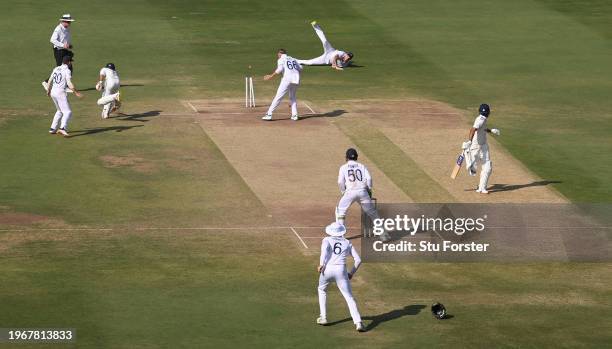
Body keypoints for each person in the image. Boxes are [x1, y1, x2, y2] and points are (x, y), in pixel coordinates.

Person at [317, 222, 366, 332]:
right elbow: (358, 260)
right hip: (341, 271)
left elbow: (324, 252)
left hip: (327, 269)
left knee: (322, 289)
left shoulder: (326, 240)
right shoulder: (347, 242)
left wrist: (321, 264)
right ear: (341, 232)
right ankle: (358, 323)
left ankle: (323, 317)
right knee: (349, 297)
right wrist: (351, 273)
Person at [336, 148, 391, 241]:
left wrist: (343, 192)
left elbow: (340, 182)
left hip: (350, 192)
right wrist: (369, 189)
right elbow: (369, 179)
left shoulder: (343, 167)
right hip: (362, 192)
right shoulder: (362, 166)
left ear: (346, 158)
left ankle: (340, 236)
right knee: (373, 213)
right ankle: (384, 235)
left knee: (340, 211)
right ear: (356, 157)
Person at [462, 104, 500, 194]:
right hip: (475, 145)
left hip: (484, 146)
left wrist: (491, 131)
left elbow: (482, 128)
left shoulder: (483, 119)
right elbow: (472, 130)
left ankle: (481, 188)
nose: (485, 114)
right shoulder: (480, 119)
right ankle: (467, 153)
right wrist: (469, 142)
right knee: (472, 170)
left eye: (485, 112)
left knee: (488, 167)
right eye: (484, 113)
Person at [46, 55, 82, 137]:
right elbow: (69, 83)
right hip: (60, 93)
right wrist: (76, 92)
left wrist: (48, 90)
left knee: (59, 110)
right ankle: (62, 128)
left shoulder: (56, 68)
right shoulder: (67, 70)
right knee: (68, 112)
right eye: (71, 62)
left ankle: (53, 128)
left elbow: (50, 79)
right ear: (68, 62)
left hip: (53, 92)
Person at [262, 49, 302, 121]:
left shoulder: (281, 59)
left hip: (287, 79)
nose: (277, 56)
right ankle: (295, 115)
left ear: (280, 54)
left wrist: (271, 76)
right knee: (293, 97)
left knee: (278, 97)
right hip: (296, 79)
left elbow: (279, 69)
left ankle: (269, 114)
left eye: (278, 54)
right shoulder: (292, 59)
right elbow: (300, 68)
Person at [42, 14, 75, 91]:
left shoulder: (66, 28)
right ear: (63, 21)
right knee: (60, 69)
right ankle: (46, 82)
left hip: (64, 50)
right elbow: (52, 40)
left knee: (69, 67)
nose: (69, 23)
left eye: (69, 22)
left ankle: (66, 86)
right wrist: (63, 45)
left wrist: (68, 46)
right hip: (58, 51)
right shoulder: (58, 29)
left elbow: (65, 39)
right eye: (68, 21)